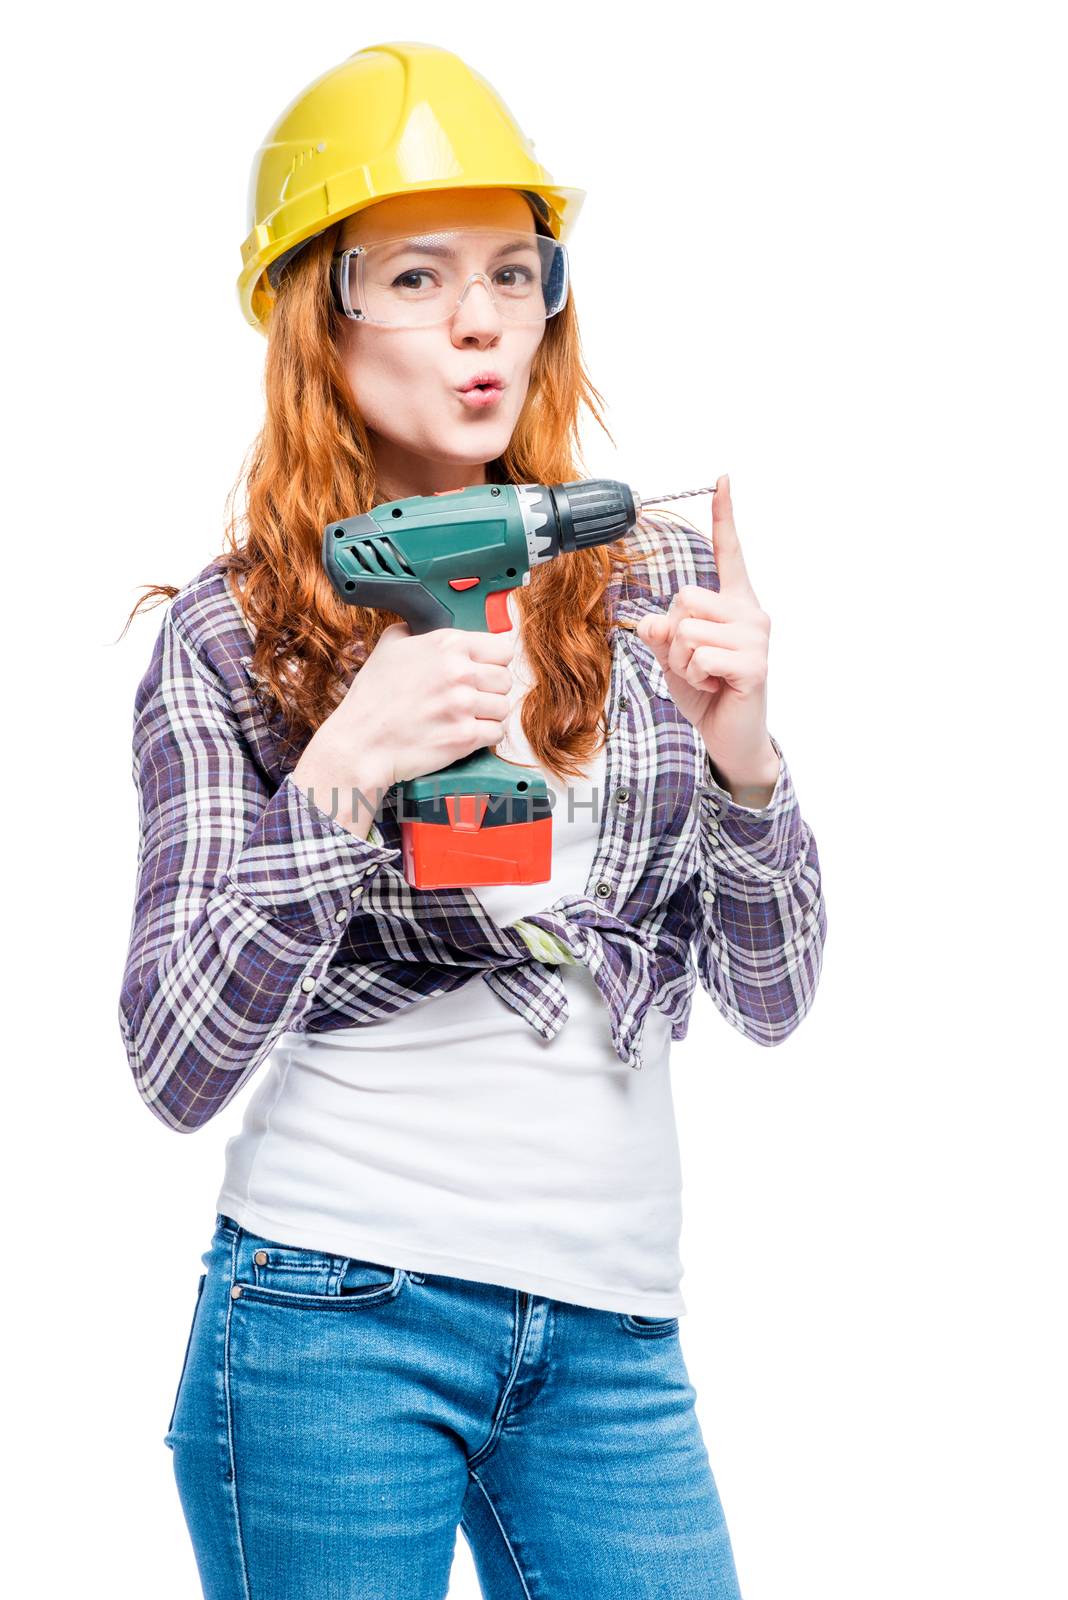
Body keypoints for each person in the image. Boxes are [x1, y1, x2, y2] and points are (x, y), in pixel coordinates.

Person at [118, 40, 827, 1599]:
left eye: (515, 270)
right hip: (326, 1325)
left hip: (613, 1341)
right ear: (320, 311)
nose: (483, 317)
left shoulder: (646, 590)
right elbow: (171, 1062)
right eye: (419, 276)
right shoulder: (228, 642)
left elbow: (773, 1001)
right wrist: (339, 773)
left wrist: (746, 762)